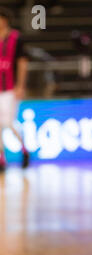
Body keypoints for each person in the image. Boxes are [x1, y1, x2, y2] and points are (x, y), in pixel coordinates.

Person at [0, 7, 29, 171]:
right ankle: (2, 158)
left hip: (10, 88)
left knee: (8, 122)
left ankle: (24, 149)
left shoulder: (16, 39)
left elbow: (22, 63)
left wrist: (20, 85)